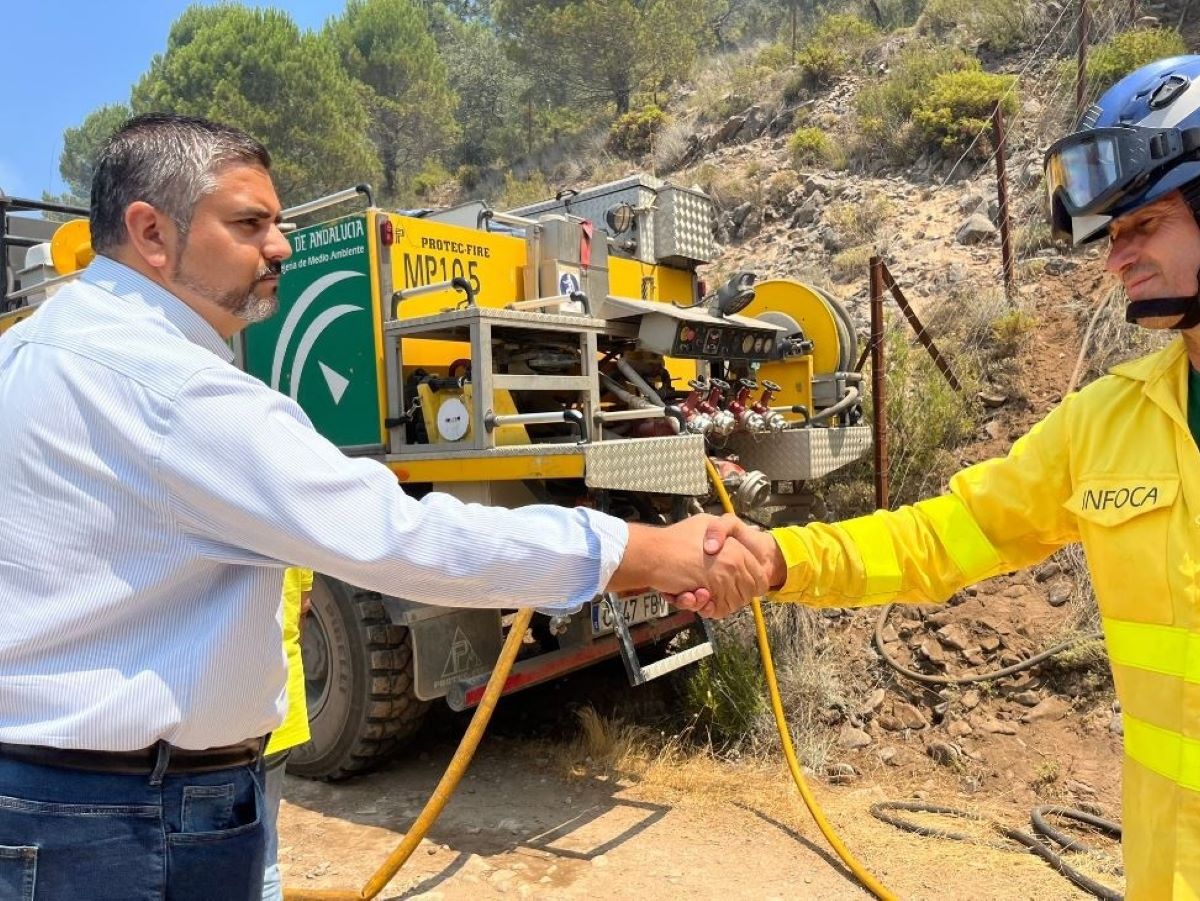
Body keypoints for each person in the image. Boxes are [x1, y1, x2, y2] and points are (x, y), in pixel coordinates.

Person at [0, 112, 766, 900]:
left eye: (282, 222)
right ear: (151, 232)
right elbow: (401, 538)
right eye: (250, 223)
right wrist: (647, 553)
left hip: (48, 804)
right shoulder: (173, 389)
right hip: (124, 825)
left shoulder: (24, 355)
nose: (282, 245)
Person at [705, 55, 1200, 898]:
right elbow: (943, 537)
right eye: (1111, 235)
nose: (1117, 260)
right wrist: (780, 561)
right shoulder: (1107, 424)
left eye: (1143, 223)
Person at [261, 569, 313, 901]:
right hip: (281, 707)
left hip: (226, 721)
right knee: (264, 857)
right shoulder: (290, 522)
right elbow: (302, 606)